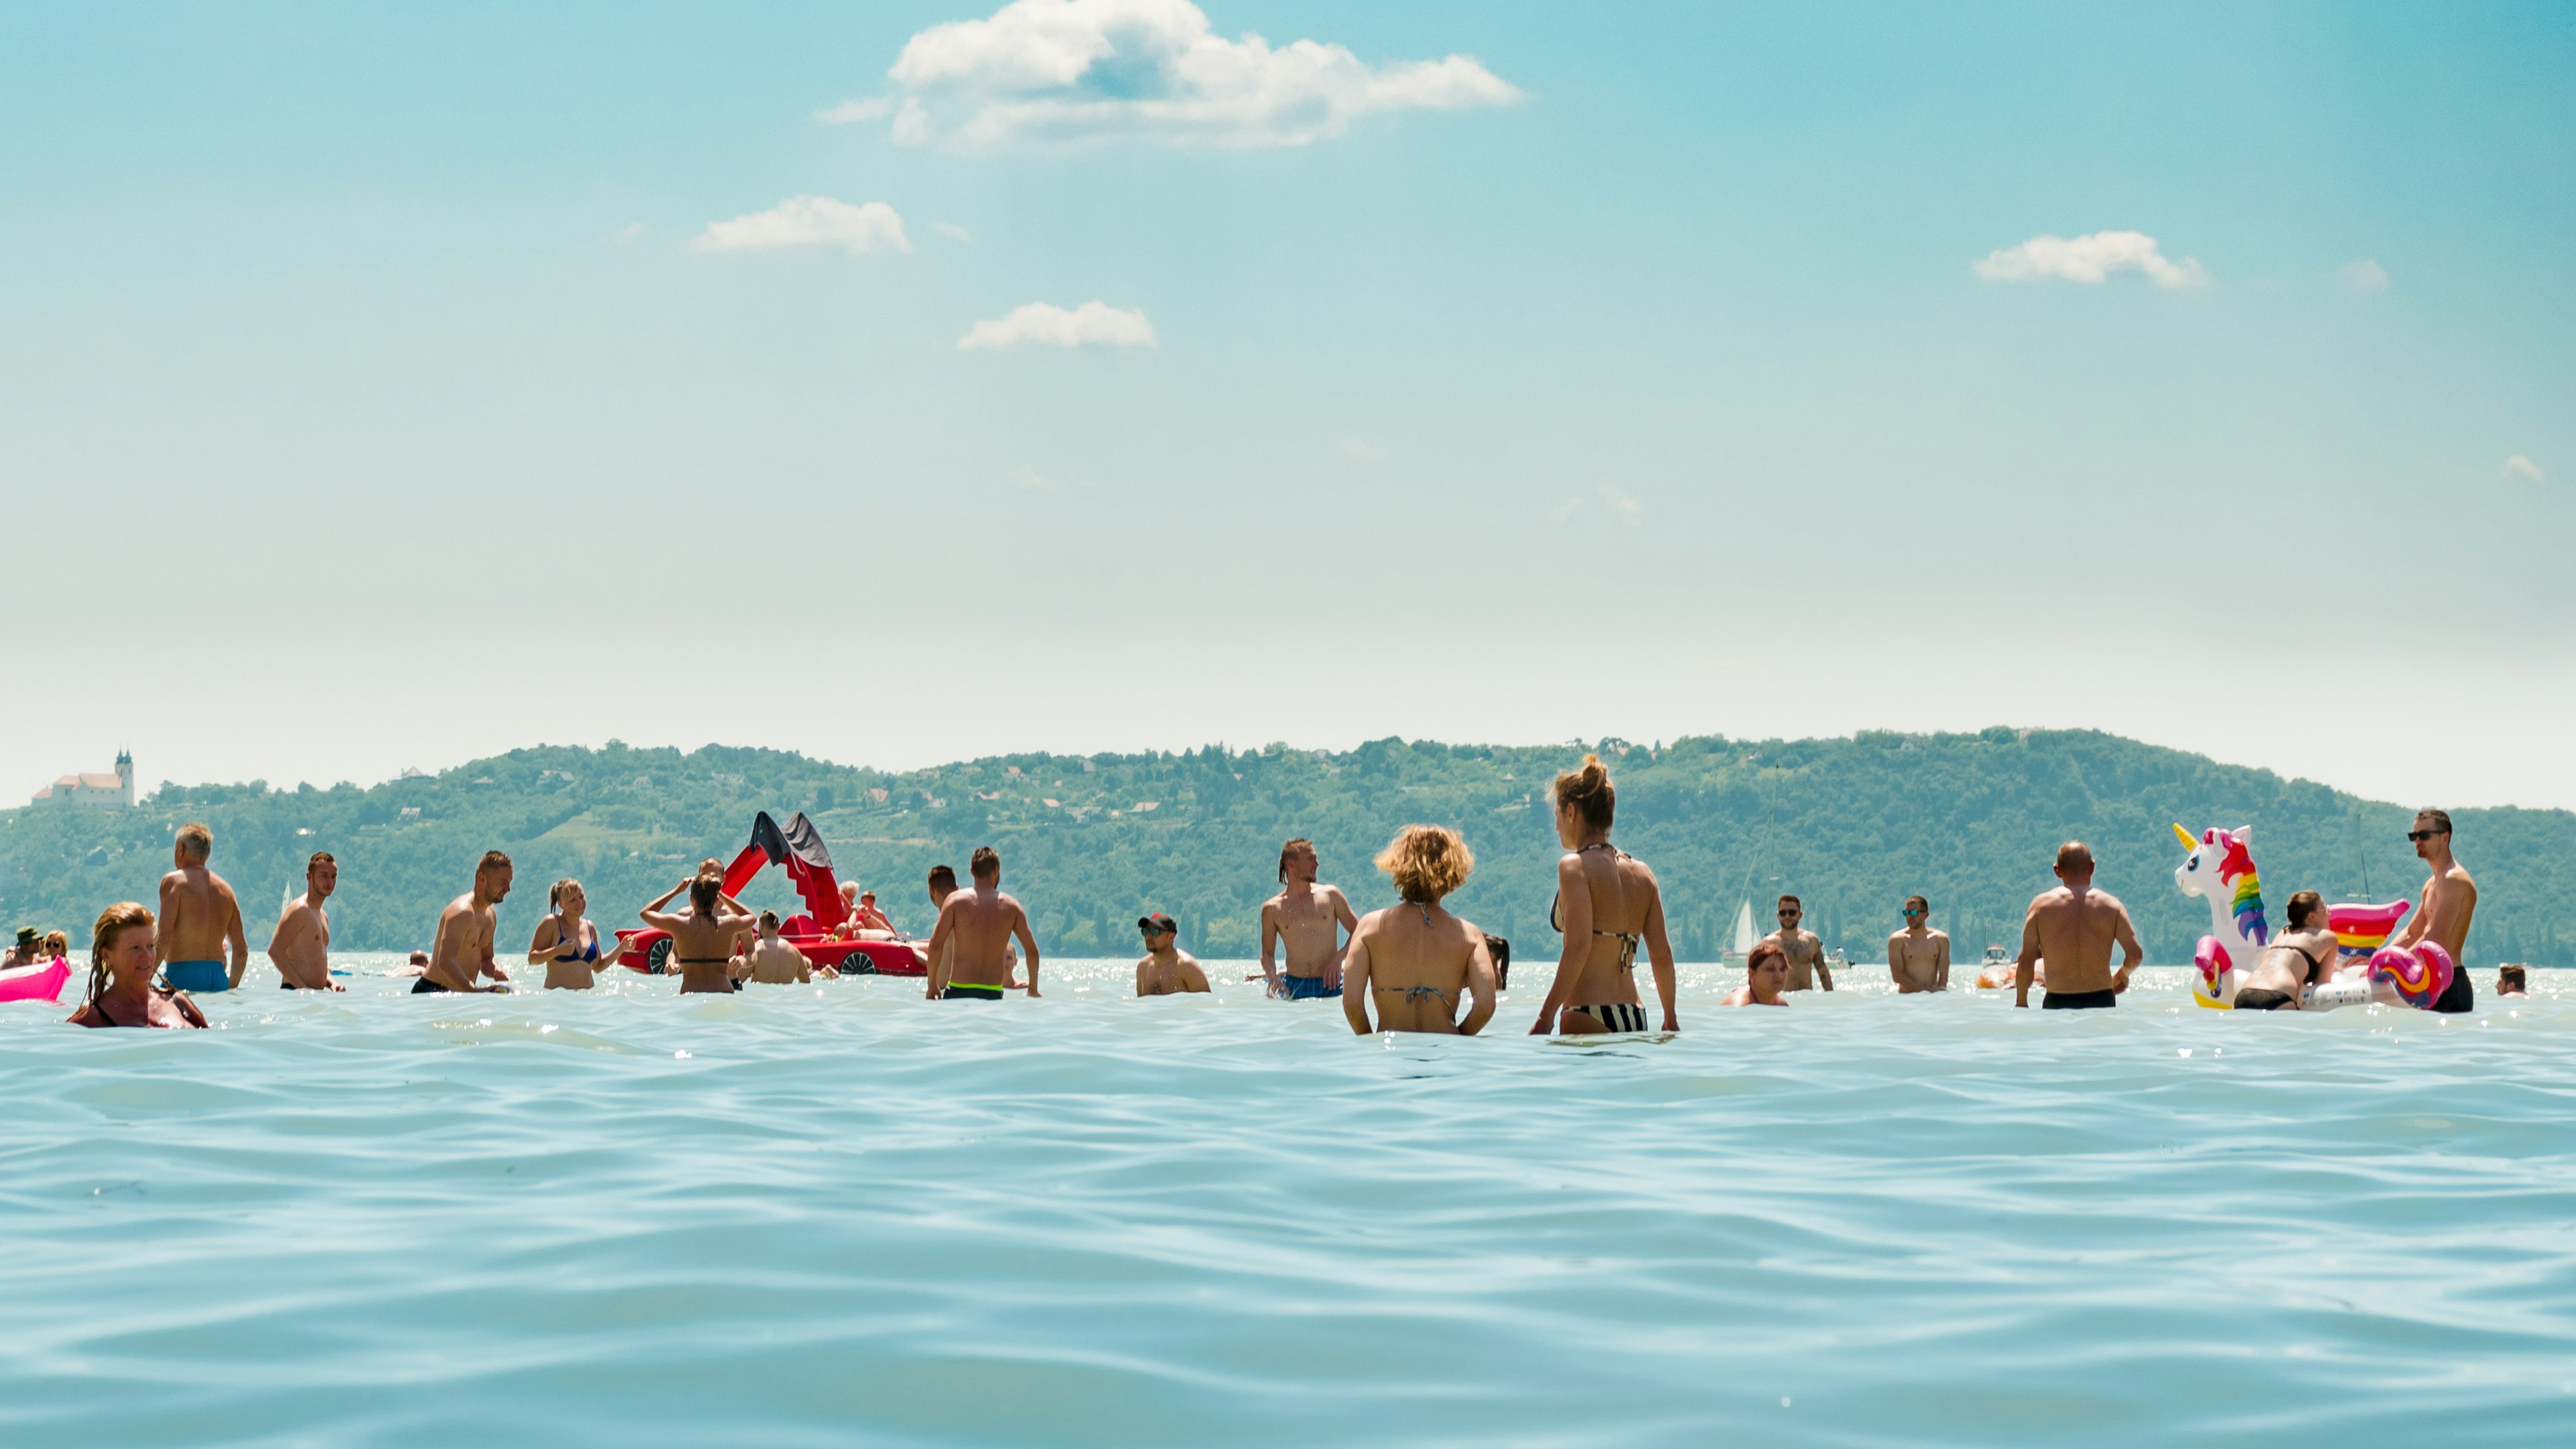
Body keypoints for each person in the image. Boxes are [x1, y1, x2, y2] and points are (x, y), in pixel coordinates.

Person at [1528, 754, 1678, 1035]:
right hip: (1635, 1014)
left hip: (1587, 1011)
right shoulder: (1643, 873)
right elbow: (1661, 953)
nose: (1556, 826)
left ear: (1571, 811)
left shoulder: (1574, 866)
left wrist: (1545, 1017)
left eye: (1557, 816)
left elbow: (1579, 947)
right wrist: (1670, 1017)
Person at [1341, 825, 1498, 1035]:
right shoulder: (1469, 935)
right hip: (1445, 1051)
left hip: (1392, 1053)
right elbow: (1485, 1005)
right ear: (1453, 869)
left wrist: (1370, 1041)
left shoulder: (1369, 927)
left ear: (1399, 865)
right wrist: (1460, 1036)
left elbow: (1352, 1005)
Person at [2015, 841, 2143, 1010]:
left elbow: (2025, 961)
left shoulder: (2040, 907)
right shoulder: (2112, 906)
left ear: (2057, 870)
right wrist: (2122, 975)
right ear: (2092, 867)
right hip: (2102, 1000)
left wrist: (2021, 1003)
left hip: (2057, 1000)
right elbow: (2135, 955)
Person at [2389, 808, 2479, 1014]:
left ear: (2445, 837)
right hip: (2425, 984)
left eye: (2424, 835)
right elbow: (2412, 932)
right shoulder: (2433, 883)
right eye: (2414, 836)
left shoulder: (2453, 880)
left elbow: (2434, 940)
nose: (2418, 841)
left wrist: (2391, 966)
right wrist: (2381, 957)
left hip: (2448, 986)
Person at [923, 847, 1041, 1000]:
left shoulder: (954, 901)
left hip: (959, 991)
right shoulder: (1012, 907)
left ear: (972, 871)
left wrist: (932, 986)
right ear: (996, 870)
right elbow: (1032, 950)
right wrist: (1033, 989)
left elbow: (936, 945)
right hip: (993, 993)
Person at [67, 902, 207, 1029]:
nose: (147, 956)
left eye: (150, 946)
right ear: (107, 955)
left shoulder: (178, 1002)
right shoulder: (93, 1017)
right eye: (135, 948)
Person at [1257, 838, 1358, 1000]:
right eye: (1310, 859)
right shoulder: (1272, 909)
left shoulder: (1331, 896)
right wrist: (1273, 977)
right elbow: (1267, 954)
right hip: (1293, 987)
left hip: (1332, 985)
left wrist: (1339, 959)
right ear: (1292, 865)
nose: (1317, 864)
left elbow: (1358, 931)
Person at [641, 859, 760, 995]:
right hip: (723, 991)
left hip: (708, 987)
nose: (709, 879)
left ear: (723, 878)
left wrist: (744, 960)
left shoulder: (681, 923)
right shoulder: (730, 922)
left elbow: (752, 953)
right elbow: (675, 953)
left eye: (713, 876)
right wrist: (671, 962)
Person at [157, 821, 249, 992]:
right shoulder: (226, 890)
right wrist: (230, 986)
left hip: (181, 976)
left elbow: (163, 939)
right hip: (218, 979)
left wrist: (143, 982)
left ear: (180, 850)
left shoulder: (174, 881)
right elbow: (241, 950)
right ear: (207, 853)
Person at [421, 851, 515, 994]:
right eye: (503, 882)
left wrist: (498, 973)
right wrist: (472, 989)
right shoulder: (462, 912)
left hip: (462, 994)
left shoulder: (491, 916)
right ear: (482, 878)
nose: (508, 889)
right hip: (433, 992)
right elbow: (445, 961)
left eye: (509, 883)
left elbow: (487, 959)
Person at [2232, 890, 2341, 1010]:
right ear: (2312, 916)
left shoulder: (2283, 933)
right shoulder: (2328, 938)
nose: (2328, 914)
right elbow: (2321, 987)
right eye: (2325, 910)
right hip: (2277, 997)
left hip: (2244, 995)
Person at [927, 862, 1021, 987]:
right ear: (956, 888)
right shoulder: (967, 919)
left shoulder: (947, 921)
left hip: (947, 992)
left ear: (931, 889)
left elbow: (935, 947)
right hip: (971, 989)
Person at [267, 851, 343, 991]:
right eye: (324, 876)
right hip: (295, 994)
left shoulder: (323, 916)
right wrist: (301, 988)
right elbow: (275, 950)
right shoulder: (299, 910)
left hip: (315, 997)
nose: (330, 882)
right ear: (309, 876)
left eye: (333, 877)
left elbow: (315, 963)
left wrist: (333, 983)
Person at [528, 878, 622, 990]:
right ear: (560, 903)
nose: (580, 903)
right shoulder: (552, 923)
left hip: (586, 1001)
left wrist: (622, 947)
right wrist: (558, 951)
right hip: (559, 1000)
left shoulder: (590, 927)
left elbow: (597, 966)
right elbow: (532, 959)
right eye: (572, 900)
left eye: (581, 897)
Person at [1762, 895, 1834, 992]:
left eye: (1792, 913)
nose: (1787, 916)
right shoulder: (1768, 944)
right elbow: (1758, 975)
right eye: (1783, 913)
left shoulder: (1811, 941)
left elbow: (1822, 971)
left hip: (1807, 1001)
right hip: (1782, 1002)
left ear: (1800, 915)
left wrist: (1830, 997)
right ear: (1778, 916)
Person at [1134, 913, 1211, 996]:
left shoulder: (1186, 966)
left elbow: (1205, 1004)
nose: (1148, 937)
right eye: (1145, 931)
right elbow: (1141, 1005)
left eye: (1154, 932)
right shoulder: (1143, 967)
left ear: (1171, 937)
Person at [743, 910, 830, 984]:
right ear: (778, 927)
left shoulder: (757, 949)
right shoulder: (795, 952)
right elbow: (806, 983)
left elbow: (739, 979)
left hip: (761, 1001)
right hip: (785, 1001)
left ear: (761, 926)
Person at [1887, 896, 1949, 994]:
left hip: (1932, 998)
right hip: (1907, 998)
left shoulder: (1941, 940)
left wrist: (1940, 994)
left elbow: (1944, 975)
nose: (1909, 917)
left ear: (1926, 915)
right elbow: (1897, 976)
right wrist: (1924, 992)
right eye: (1906, 913)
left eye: (1913, 913)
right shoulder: (1897, 940)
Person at [1723, 940, 1792, 1007]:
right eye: (1770, 969)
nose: (1779, 975)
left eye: (1783, 969)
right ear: (1752, 974)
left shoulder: (1782, 1005)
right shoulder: (1739, 1005)